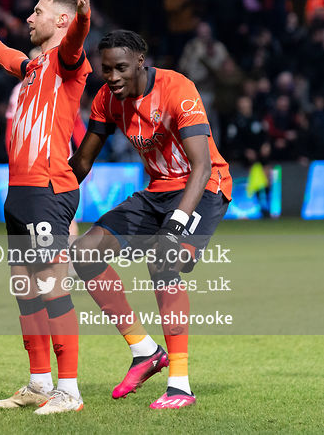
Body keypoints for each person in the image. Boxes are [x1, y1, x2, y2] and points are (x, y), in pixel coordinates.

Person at [68, 30, 232, 410]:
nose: (112, 77)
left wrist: (174, 226)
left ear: (141, 60)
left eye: (120, 68)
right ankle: (144, 351)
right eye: (105, 70)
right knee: (86, 253)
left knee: (164, 260)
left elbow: (202, 164)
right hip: (156, 190)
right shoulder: (107, 99)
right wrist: (51, 192)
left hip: (204, 187)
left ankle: (180, 385)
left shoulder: (177, 88)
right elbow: (82, 163)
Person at [0, 0, 91, 414]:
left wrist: (84, 14)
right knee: (24, 286)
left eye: (37, 12)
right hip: (19, 191)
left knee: (52, 285)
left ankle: (70, 390)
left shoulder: (68, 61)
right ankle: (40, 382)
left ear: (60, 19)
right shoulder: (36, 67)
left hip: (47, 189)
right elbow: (16, 61)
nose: (29, 17)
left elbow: (76, 39)